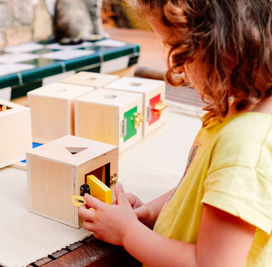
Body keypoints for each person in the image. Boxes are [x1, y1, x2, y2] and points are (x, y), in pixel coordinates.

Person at [78, 0, 272, 266]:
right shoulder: (236, 112)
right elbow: (195, 188)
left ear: (222, 47)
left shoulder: (245, 145)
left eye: (175, 48)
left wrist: (127, 232)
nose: (176, 68)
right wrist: (148, 213)